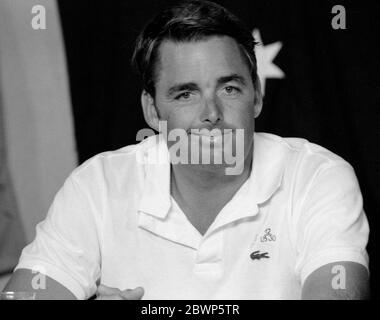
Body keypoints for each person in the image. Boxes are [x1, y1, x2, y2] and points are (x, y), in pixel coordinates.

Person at [5, 0, 369, 299]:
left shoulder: (318, 175)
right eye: (185, 94)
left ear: (256, 96)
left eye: (229, 89)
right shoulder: (97, 185)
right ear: (152, 110)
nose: (211, 114)